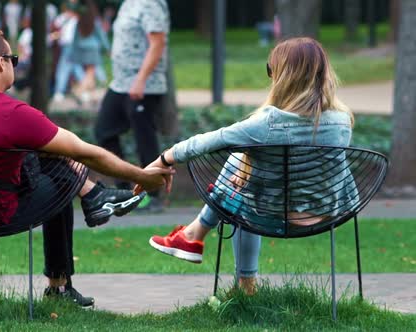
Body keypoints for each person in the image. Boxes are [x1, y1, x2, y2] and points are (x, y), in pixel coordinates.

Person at [0, 28, 173, 306]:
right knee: (60, 182)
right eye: (12, 58)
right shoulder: (12, 114)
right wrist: (143, 177)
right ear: (1, 63)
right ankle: (59, 286)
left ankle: (93, 195)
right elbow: (87, 154)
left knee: (43, 153)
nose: (15, 64)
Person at [144, 37, 355, 295]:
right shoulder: (342, 121)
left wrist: (162, 160)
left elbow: (204, 142)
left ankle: (225, 266)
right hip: (327, 214)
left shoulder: (266, 125)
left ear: (284, 76)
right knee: (243, 166)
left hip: (270, 215)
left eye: (272, 70)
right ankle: (193, 236)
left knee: (236, 180)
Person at [94, 0, 170, 212]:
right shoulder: (129, 3)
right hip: (120, 84)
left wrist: (141, 79)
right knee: (104, 132)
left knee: (144, 138)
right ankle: (126, 192)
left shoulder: (150, 5)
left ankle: (154, 195)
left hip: (144, 84)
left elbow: (158, 43)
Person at [69, 0, 110, 105]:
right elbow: (101, 36)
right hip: (93, 49)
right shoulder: (94, 21)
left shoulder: (79, 21)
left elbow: (75, 38)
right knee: (90, 73)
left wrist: (73, 52)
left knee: (88, 72)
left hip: (81, 49)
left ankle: (87, 95)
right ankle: (79, 91)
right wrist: (108, 48)